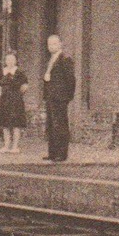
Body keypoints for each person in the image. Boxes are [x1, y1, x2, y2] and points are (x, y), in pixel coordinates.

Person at [41, 33, 75, 162]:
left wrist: (67, 96)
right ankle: (52, 152)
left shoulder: (65, 59)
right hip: (50, 96)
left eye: (54, 43)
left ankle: (62, 153)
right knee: (51, 124)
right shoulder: (50, 59)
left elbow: (71, 80)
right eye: (49, 44)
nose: (51, 46)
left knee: (60, 124)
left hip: (60, 97)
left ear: (60, 44)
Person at [0, 51, 29, 154]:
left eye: (12, 59)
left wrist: (16, 95)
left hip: (15, 100)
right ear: (5, 61)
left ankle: (15, 146)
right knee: (5, 124)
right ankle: (6, 145)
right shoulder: (2, 72)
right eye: (8, 59)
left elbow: (24, 87)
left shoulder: (19, 72)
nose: (10, 62)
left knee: (15, 124)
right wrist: (0, 97)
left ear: (15, 61)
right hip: (5, 100)